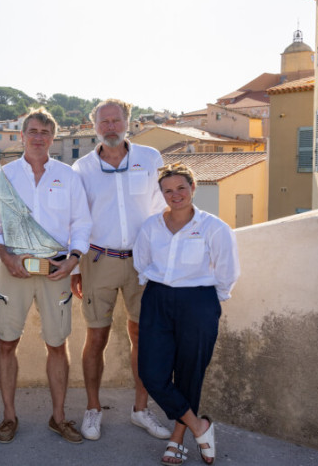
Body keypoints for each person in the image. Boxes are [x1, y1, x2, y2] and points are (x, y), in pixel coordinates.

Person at [0, 107, 92, 444]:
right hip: (12, 268)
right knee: (6, 342)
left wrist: (73, 260)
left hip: (56, 270)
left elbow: (82, 223)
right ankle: (8, 417)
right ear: (22, 136)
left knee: (57, 344)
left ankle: (58, 418)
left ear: (52, 138)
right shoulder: (4, 176)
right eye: (32, 131)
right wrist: (5, 256)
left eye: (45, 132)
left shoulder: (68, 175)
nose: (38, 137)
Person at [70, 99, 171, 442]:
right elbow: (78, 218)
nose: (110, 126)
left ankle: (141, 410)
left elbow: (160, 209)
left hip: (143, 261)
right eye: (104, 121)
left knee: (142, 336)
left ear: (129, 122)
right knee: (95, 336)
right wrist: (74, 266)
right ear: (93, 125)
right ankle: (93, 409)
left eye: (116, 120)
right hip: (98, 260)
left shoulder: (150, 159)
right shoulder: (82, 168)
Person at [133, 163, 239, 465]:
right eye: (168, 190)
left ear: (193, 188)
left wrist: (208, 304)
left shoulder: (214, 227)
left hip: (199, 303)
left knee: (190, 372)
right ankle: (199, 426)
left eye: (181, 188)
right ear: (162, 194)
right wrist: (159, 293)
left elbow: (227, 271)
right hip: (157, 299)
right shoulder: (151, 226)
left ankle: (177, 439)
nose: (175, 194)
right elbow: (142, 262)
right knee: (151, 374)